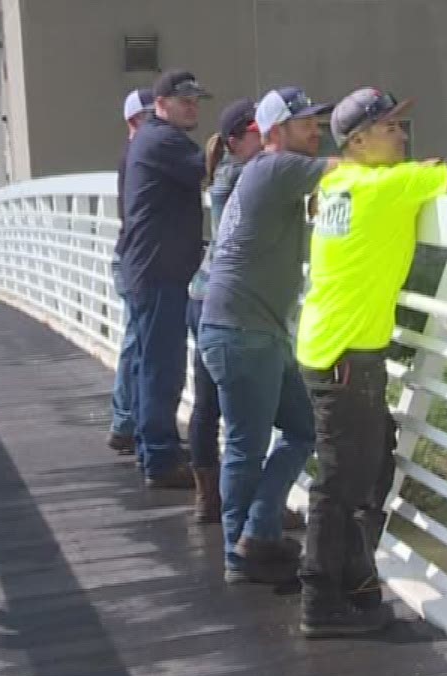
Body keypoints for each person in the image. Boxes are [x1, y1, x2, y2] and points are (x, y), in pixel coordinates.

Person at [294, 87, 447, 638]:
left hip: (332, 345)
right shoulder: (388, 186)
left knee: (370, 466)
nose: (403, 137)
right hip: (347, 354)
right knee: (340, 482)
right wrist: (428, 166)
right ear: (357, 140)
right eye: (390, 128)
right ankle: (320, 603)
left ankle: (356, 582)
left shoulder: (336, 183)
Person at [199, 87, 337, 584]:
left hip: (256, 330)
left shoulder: (270, 172)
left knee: (302, 430)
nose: (316, 131)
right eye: (307, 124)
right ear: (275, 132)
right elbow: (349, 172)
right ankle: (243, 550)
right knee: (245, 445)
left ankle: (257, 531)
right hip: (241, 332)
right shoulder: (277, 166)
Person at [118, 68, 211, 490]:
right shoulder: (164, 140)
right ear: (160, 105)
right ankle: (159, 458)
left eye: (195, 100)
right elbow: (206, 168)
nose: (192, 107)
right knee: (162, 367)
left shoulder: (148, 139)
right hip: (159, 271)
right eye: (184, 100)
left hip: (147, 268)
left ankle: (150, 447)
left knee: (146, 363)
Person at [187, 97, 262, 523]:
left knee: (207, 403)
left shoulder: (225, 174)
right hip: (226, 303)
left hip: (200, 294)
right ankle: (245, 509)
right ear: (235, 141)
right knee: (240, 407)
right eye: (258, 133)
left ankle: (208, 498)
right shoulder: (244, 176)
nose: (266, 140)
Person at [107, 87, 155, 456]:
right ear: (132, 121)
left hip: (129, 257)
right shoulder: (140, 155)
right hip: (135, 259)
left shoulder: (135, 154)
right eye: (149, 115)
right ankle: (126, 422)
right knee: (137, 343)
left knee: (134, 341)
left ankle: (127, 420)